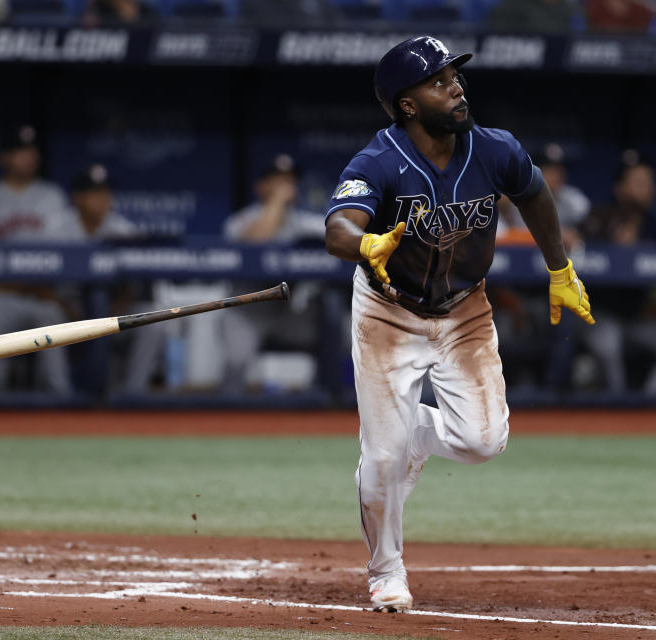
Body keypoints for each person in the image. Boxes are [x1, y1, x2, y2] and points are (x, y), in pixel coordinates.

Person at [324, 36, 594, 612]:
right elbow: (338, 227)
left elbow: (535, 195)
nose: (456, 87)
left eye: (455, 76)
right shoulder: (379, 160)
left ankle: (418, 434)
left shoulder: (494, 149)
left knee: (483, 442)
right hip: (389, 314)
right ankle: (386, 572)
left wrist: (560, 267)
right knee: (380, 460)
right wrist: (365, 241)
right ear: (407, 104)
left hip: (465, 310)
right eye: (439, 81)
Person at [578, 150, 656, 394]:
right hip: (599, 314)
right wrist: (611, 247)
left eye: (648, 182)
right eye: (638, 183)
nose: (646, 189)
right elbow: (576, 258)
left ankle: (649, 404)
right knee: (608, 342)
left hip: (639, 317)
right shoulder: (598, 218)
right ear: (620, 189)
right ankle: (617, 408)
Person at [0, 124, 75, 394]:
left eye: (31, 150)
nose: (29, 156)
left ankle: (63, 419)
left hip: (42, 295)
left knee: (56, 379)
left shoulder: (53, 197)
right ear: (4, 158)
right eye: (20, 151)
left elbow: (68, 255)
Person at [221, 154, 326, 391]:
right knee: (236, 360)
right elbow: (257, 241)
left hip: (289, 312)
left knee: (340, 331)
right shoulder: (240, 221)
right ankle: (226, 420)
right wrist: (276, 203)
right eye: (277, 181)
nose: (286, 187)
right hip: (247, 311)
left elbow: (342, 241)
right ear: (260, 186)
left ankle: (328, 408)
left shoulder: (308, 222)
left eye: (289, 181)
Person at [64, 163, 164, 394]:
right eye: (94, 192)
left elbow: (134, 289)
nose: (102, 198)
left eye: (105, 192)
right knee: (45, 316)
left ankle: (133, 397)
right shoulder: (56, 229)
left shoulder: (123, 230)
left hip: (111, 312)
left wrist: (105, 315)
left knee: (152, 320)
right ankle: (58, 398)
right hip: (66, 311)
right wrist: (72, 312)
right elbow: (39, 285)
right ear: (77, 197)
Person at [498, 142, 588, 250]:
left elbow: (587, 234)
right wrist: (555, 236)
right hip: (523, 255)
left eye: (559, 169)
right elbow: (505, 236)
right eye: (550, 170)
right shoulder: (517, 196)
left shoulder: (574, 199)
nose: (557, 175)